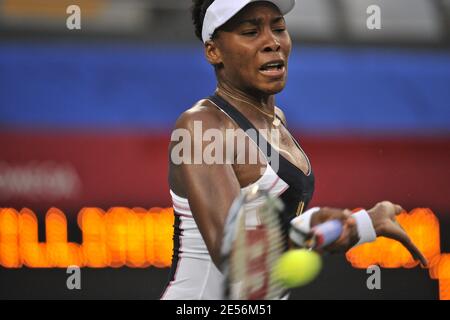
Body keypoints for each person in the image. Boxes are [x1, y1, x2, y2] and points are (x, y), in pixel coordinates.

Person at [161, 0, 427, 300]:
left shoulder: (277, 121)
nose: (272, 42)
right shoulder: (201, 126)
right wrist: (335, 231)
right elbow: (234, 255)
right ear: (214, 51)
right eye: (250, 32)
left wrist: (362, 222)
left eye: (279, 28)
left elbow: (264, 229)